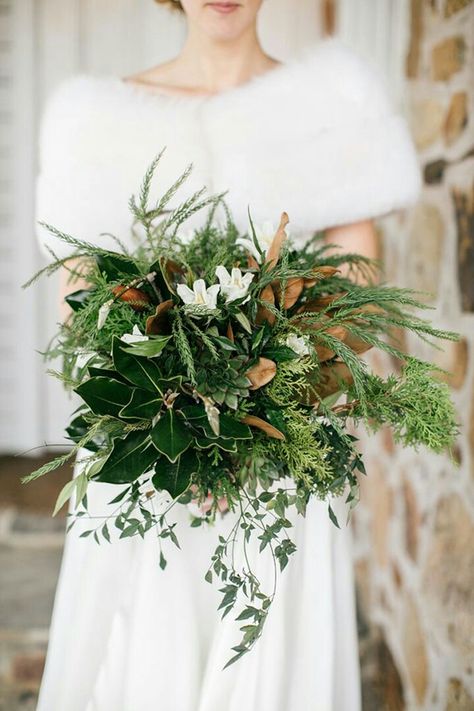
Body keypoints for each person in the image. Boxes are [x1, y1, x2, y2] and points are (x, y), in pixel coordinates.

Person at [34, 1, 421, 709]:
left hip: (281, 456)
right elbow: (79, 301)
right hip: (148, 452)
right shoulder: (97, 122)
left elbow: (356, 294)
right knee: (146, 649)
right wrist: (169, 423)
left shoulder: (330, 106)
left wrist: (255, 425)